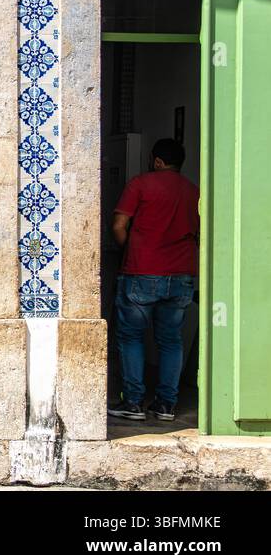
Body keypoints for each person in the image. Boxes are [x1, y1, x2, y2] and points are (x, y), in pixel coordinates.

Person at [108, 137, 199, 422]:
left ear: (157, 161)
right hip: (181, 275)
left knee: (131, 336)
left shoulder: (140, 184)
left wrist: (129, 250)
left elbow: (119, 225)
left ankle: (133, 403)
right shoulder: (193, 190)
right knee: (171, 341)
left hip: (142, 272)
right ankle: (166, 405)